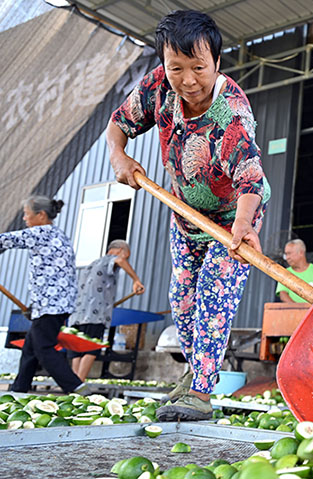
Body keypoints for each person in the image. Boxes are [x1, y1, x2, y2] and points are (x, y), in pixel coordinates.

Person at [107, 10, 269, 421]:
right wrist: (119, 155)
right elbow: (118, 123)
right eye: (176, 67)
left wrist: (245, 225)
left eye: (199, 67)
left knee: (215, 293)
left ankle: (200, 391)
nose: (188, 79)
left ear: (216, 62)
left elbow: (251, 180)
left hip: (234, 219)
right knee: (181, 302)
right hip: (186, 217)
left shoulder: (233, 116)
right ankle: (196, 375)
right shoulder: (158, 86)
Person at [0, 196, 89, 395]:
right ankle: (19, 390)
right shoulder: (58, 234)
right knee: (30, 350)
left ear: (40, 215)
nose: (24, 218)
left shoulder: (41, 232)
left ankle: (77, 387)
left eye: (26, 214)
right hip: (55, 303)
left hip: (51, 305)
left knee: (43, 348)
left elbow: (7, 240)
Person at [67, 240, 145, 381]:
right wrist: (136, 280)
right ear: (121, 250)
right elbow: (120, 260)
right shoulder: (110, 260)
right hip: (94, 314)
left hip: (77, 314)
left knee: (77, 351)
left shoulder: (92, 264)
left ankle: (73, 383)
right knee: (91, 348)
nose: (126, 259)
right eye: (127, 255)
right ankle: (79, 383)